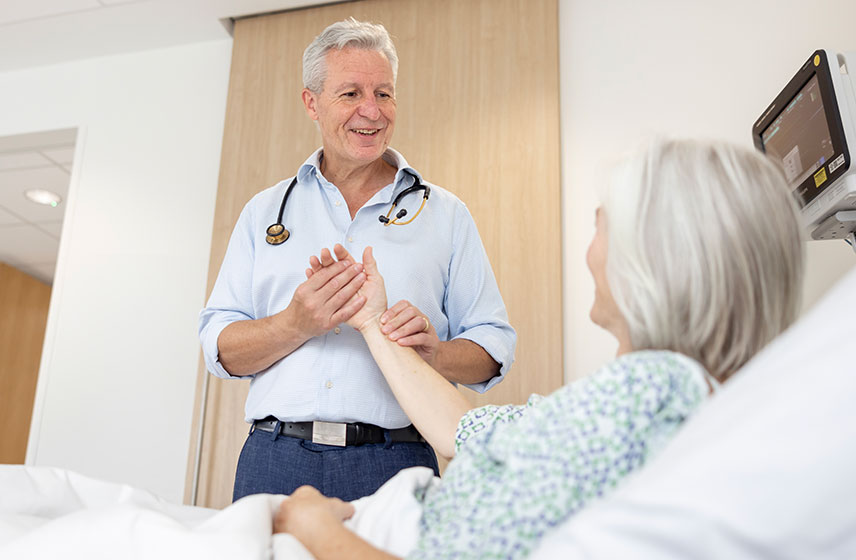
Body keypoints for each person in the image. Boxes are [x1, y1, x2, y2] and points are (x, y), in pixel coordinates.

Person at [272, 138, 807, 559]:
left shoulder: (646, 390)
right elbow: (465, 433)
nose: (591, 249)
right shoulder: (659, 398)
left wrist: (311, 527)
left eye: (603, 225)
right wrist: (370, 322)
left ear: (657, 259)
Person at [198, 18, 516, 503]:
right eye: (350, 94)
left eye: (384, 94)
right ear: (312, 102)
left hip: (396, 461)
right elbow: (218, 348)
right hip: (274, 459)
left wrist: (434, 353)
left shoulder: (445, 215)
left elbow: (492, 347)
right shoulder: (265, 212)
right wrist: (294, 323)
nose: (372, 111)